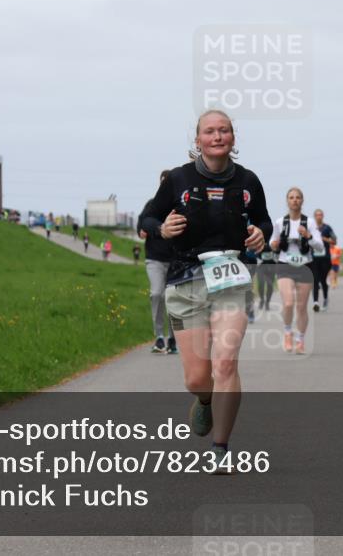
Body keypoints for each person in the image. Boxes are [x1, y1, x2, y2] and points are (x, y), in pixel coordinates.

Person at [141, 109, 271, 466]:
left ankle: (221, 450)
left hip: (230, 280)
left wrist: (262, 233)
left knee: (226, 363)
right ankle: (204, 400)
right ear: (197, 140)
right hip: (185, 281)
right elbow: (148, 217)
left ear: (233, 138)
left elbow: (263, 219)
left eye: (224, 130)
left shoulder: (248, 181)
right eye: (210, 131)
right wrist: (162, 229)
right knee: (198, 378)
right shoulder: (178, 180)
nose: (217, 137)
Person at [270, 188, 324, 354]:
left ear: (302, 200)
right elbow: (272, 240)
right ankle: (288, 332)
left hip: (305, 265)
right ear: (287, 201)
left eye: (298, 197)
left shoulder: (310, 223)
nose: (295, 200)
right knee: (288, 303)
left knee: (301, 307)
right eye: (291, 197)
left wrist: (308, 235)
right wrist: (274, 244)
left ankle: (300, 340)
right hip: (285, 264)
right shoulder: (280, 222)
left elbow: (320, 246)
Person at [139, 172, 178, 355]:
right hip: (154, 258)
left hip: (175, 260)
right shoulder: (152, 205)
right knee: (156, 294)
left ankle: (173, 339)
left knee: (172, 299)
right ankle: (159, 337)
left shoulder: (179, 206)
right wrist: (143, 231)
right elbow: (142, 222)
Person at [310, 209, 336, 312]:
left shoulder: (327, 228)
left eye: (320, 215)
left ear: (323, 216)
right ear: (314, 216)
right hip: (314, 258)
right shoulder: (311, 228)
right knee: (315, 280)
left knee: (323, 280)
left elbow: (334, 241)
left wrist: (325, 239)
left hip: (325, 258)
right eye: (317, 215)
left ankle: (325, 298)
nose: (319, 217)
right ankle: (315, 302)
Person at [256, 240, 277, 311]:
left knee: (270, 285)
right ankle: (262, 299)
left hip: (272, 265)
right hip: (261, 265)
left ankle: (267, 302)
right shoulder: (259, 237)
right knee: (261, 283)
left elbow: (278, 250)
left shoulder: (274, 237)